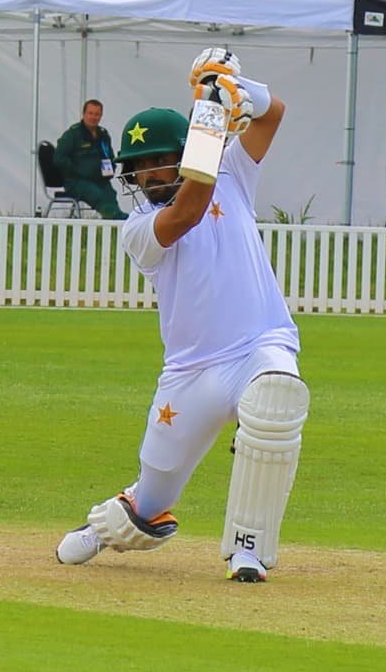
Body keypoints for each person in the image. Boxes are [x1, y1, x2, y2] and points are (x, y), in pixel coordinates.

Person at [55, 48, 309, 583]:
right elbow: (189, 210)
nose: (147, 174)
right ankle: (112, 524)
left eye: (157, 161)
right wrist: (212, 115)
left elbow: (273, 113)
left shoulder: (234, 172)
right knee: (151, 501)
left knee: (276, 399)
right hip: (191, 373)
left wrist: (234, 86)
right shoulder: (139, 228)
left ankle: (248, 549)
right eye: (138, 167)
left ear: (179, 153)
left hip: (259, 343)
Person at [52, 99, 127, 220]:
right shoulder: (73, 134)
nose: (93, 117)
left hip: (99, 180)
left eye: (97, 114)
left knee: (110, 194)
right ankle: (116, 218)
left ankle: (115, 222)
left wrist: (109, 170)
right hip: (76, 181)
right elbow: (59, 158)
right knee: (96, 194)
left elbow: (110, 157)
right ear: (84, 114)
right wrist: (77, 171)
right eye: (90, 113)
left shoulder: (103, 134)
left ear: (101, 116)